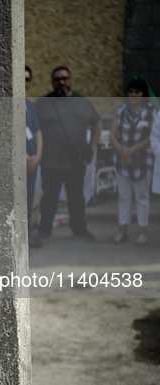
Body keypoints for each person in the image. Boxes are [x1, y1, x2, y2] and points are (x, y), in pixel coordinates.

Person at [34, 66, 102, 244]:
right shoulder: (42, 103)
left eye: (64, 78)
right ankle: (44, 231)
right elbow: (33, 129)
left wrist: (92, 145)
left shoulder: (83, 101)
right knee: (49, 199)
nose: (61, 82)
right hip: (50, 161)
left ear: (70, 80)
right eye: (57, 79)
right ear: (52, 82)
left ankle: (80, 230)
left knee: (76, 198)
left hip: (75, 162)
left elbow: (97, 122)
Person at [109, 79, 156, 246]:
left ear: (143, 95)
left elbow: (152, 138)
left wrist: (131, 150)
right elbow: (112, 136)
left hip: (142, 162)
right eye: (131, 92)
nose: (133, 95)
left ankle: (142, 232)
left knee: (142, 197)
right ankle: (122, 231)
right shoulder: (120, 111)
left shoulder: (152, 113)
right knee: (124, 197)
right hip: (122, 161)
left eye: (137, 92)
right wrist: (123, 151)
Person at [25, 66, 43, 248]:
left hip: (32, 163)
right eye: (21, 78)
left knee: (29, 200)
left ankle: (27, 236)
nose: (25, 83)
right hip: (20, 163)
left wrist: (37, 156)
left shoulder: (29, 105)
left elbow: (38, 132)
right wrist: (23, 156)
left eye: (28, 79)